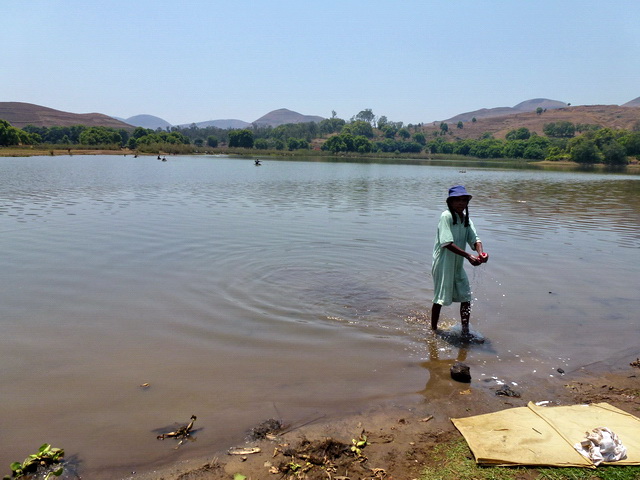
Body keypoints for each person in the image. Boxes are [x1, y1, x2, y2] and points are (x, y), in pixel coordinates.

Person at [431, 185, 488, 339]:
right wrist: (468, 256)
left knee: (465, 297)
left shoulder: (466, 219)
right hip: (444, 263)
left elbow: (475, 239)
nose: (461, 203)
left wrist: (480, 253)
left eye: (464, 200)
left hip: (457, 264)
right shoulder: (446, 216)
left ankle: (465, 331)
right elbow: (446, 243)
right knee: (439, 298)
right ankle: (434, 330)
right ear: (450, 202)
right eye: (457, 200)